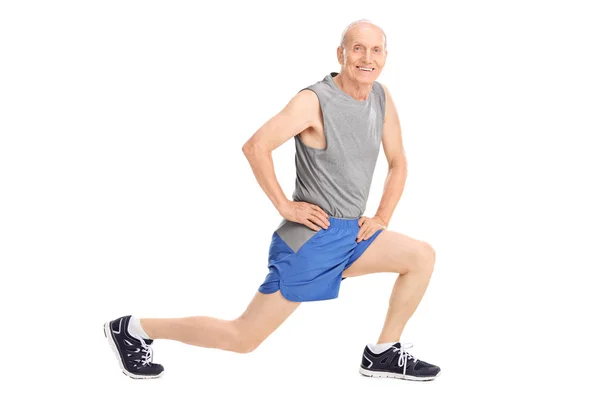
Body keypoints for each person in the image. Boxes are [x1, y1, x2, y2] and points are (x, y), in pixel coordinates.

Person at [103, 19, 440, 381]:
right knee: (243, 337)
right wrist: (285, 205)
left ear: (385, 56)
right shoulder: (313, 101)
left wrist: (382, 217)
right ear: (341, 53)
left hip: (353, 234)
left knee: (420, 256)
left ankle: (383, 353)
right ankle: (133, 328)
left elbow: (398, 162)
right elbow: (256, 146)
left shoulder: (380, 96)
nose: (367, 58)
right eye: (358, 48)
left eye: (376, 50)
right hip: (312, 239)